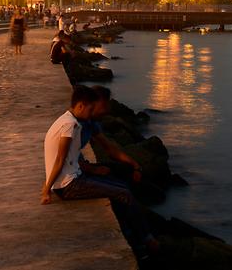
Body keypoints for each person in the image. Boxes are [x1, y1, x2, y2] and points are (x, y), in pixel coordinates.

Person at [41, 86, 157, 257]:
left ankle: (135, 233)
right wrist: (46, 190)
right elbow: (60, 159)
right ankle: (146, 240)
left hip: (74, 178)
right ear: (81, 105)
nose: (94, 111)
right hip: (69, 184)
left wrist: (92, 168)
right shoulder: (70, 125)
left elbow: (71, 157)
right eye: (91, 107)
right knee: (123, 193)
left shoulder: (70, 121)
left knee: (121, 187)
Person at [79, 86, 145, 183]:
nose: (106, 110)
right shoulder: (76, 125)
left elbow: (110, 149)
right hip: (71, 176)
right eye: (104, 105)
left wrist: (135, 165)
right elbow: (66, 160)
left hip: (80, 168)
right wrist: (95, 170)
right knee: (123, 192)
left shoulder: (91, 123)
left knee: (126, 169)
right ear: (92, 103)